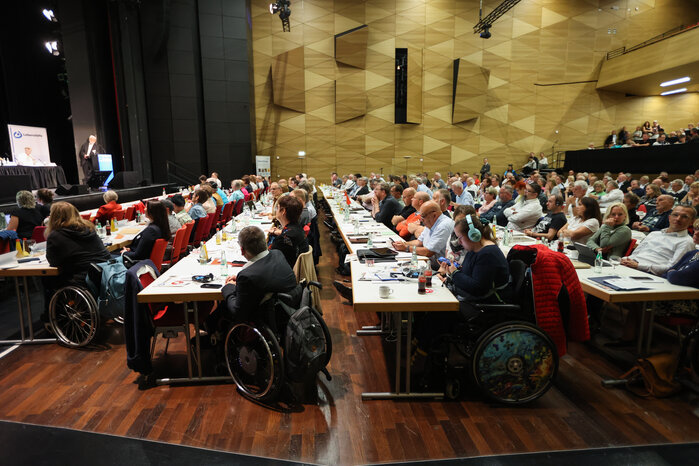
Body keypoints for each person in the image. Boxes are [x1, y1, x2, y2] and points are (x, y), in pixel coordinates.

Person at [43, 202, 111, 326]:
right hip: (104, 272)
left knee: (47, 280)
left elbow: (53, 261)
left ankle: (50, 319)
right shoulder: (89, 228)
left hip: (82, 278)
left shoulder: (55, 235)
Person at [221, 226, 299, 323]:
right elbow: (267, 276)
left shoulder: (247, 276)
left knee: (221, 308)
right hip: (291, 311)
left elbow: (238, 313)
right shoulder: (277, 254)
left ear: (242, 250)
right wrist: (239, 279)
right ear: (265, 243)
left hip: (267, 321)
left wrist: (228, 287)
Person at [620, 205, 696, 275]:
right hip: (630, 267)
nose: (678, 219)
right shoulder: (654, 234)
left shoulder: (687, 242)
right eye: (675, 215)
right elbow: (634, 255)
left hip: (649, 274)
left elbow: (672, 268)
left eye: (684, 217)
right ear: (669, 218)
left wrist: (638, 266)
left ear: (691, 222)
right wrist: (625, 260)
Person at [392, 201, 454, 267]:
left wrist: (406, 248)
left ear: (434, 215)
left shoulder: (443, 226)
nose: (421, 220)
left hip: (438, 267)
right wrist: (402, 244)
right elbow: (419, 242)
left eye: (423, 216)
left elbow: (428, 252)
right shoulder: (431, 222)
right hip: (428, 262)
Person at [268, 195, 309, 268]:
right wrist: (280, 232)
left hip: (283, 273)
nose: (276, 210)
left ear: (283, 211)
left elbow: (269, 261)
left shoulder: (283, 239)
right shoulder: (297, 228)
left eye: (277, 208)